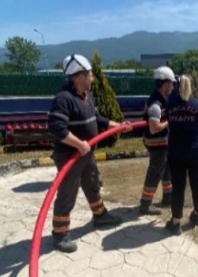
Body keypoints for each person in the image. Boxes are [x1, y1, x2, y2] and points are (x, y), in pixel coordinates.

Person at [48, 53, 132, 253]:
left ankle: (100, 216)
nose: (93, 77)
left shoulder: (87, 96)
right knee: (68, 193)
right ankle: (60, 234)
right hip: (70, 156)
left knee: (92, 184)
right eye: (89, 74)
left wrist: (117, 126)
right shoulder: (64, 99)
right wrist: (79, 144)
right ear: (78, 76)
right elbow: (57, 129)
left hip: (86, 153)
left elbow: (97, 119)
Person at [164, 75, 198, 235]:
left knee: (178, 186)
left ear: (176, 87)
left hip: (176, 152)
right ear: (191, 87)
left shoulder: (170, 104)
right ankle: (197, 216)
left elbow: (170, 122)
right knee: (197, 184)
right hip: (197, 152)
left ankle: (176, 222)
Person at [138, 66, 176, 215]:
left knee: (167, 170)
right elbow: (154, 128)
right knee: (155, 172)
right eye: (171, 83)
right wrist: (169, 121)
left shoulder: (162, 100)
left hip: (163, 142)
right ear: (165, 84)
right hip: (156, 143)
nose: (173, 86)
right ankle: (145, 204)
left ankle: (168, 197)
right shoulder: (156, 104)